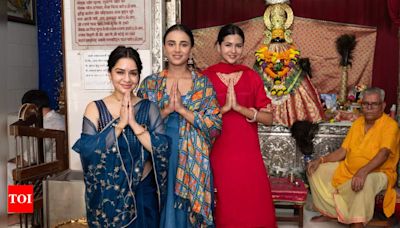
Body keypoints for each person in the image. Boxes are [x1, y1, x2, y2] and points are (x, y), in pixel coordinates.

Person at [72, 46, 170, 227]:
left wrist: (133, 124)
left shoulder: (149, 109)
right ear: (109, 74)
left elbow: (162, 148)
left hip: (143, 194)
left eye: (133, 73)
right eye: (120, 72)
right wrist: (120, 125)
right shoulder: (95, 109)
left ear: (139, 76)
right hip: (108, 199)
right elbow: (87, 151)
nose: (127, 79)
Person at [138, 24, 222, 227]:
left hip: (193, 160)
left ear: (191, 49)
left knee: (185, 214)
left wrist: (184, 111)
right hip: (158, 157)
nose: (177, 49)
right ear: (165, 48)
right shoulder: (150, 84)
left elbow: (215, 126)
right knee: (160, 208)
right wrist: (166, 111)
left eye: (183, 44)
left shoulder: (203, 84)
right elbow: (137, 124)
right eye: (172, 44)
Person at [202, 24, 277, 227]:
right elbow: (198, 118)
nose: (233, 50)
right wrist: (225, 109)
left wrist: (241, 108)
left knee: (253, 202)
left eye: (238, 45)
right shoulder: (205, 78)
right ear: (218, 46)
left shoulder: (252, 76)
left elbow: (269, 119)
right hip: (218, 149)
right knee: (226, 204)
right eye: (228, 45)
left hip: (247, 151)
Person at [307, 87, 400, 227]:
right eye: (365, 104)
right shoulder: (358, 123)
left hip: (379, 172)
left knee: (365, 181)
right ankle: (334, 213)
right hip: (348, 168)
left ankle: (357, 222)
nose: (369, 108)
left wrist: (363, 171)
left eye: (374, 104)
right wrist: (320, 160)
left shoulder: (390, 125)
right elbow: (343, 151)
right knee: (316, 170)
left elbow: (384, 153)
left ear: (383, 105)